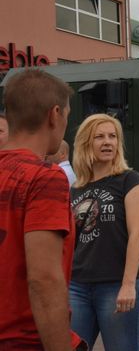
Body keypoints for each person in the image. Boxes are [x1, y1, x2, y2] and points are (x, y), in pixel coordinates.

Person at [0, 69, 84, 349]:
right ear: (54, 114)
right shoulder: (44, 178)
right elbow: (43, 279)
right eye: (67, 118)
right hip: (22, 340)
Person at [69, 113, 139, 350]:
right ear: (85, 143)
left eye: (113, 136)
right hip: (77, 287)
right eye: (100, 137)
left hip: (116, 286)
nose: (108, 142)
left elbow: (137, 234)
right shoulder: (76, 188)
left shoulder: (129, 180)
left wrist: (128, 285)